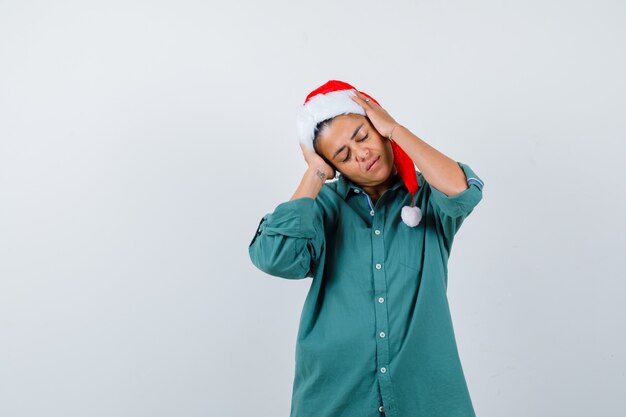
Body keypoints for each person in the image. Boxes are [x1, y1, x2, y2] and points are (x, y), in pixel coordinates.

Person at [248, 80, 485, 417]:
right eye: (343, 155)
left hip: (426, 400)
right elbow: (273, 256)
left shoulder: (428, 198)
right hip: (336, 399)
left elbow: (462, 191)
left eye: (363, 136)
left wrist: (396, 130)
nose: (361, 154)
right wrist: (315, 173)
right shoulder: (322, 207)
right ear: (336, 168)